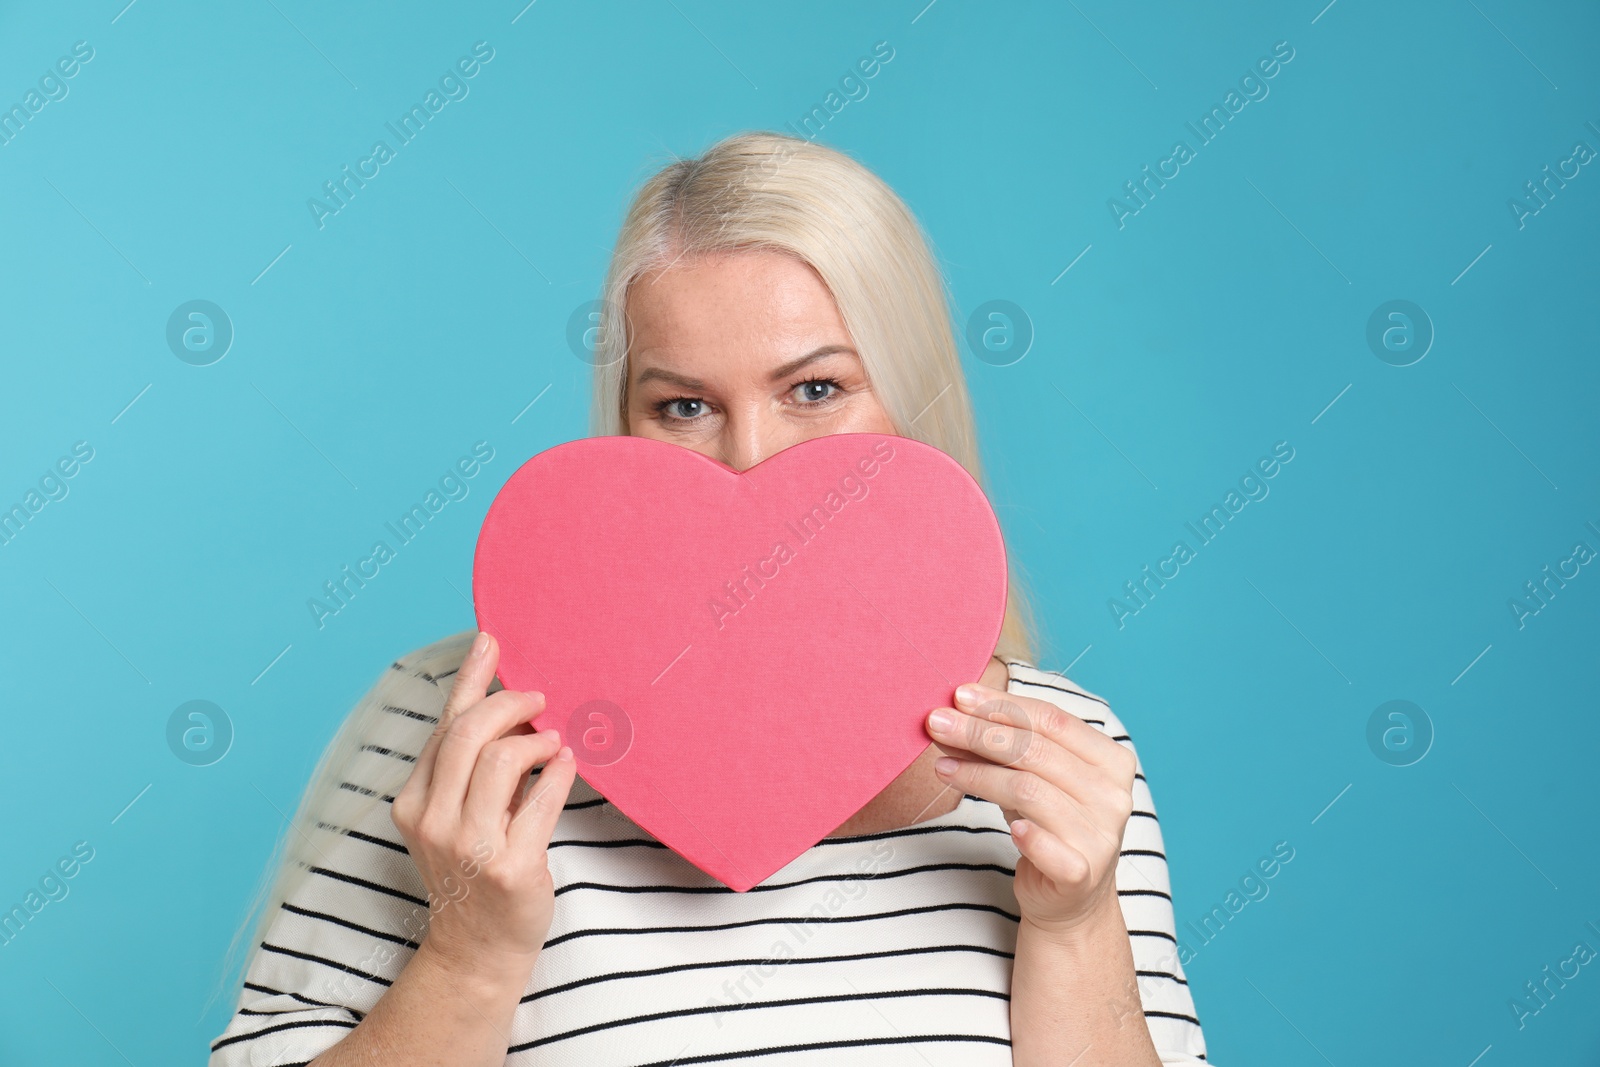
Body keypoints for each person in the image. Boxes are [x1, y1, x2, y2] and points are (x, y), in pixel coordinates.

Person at [209, 131, 1211, 1066]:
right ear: (626, 419)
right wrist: (469, 953)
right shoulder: (458, 731)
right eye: (683, 404)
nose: (749, 458)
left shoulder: (1068, 762)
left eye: (815, 389)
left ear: (912, 398)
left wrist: (1075, 924)